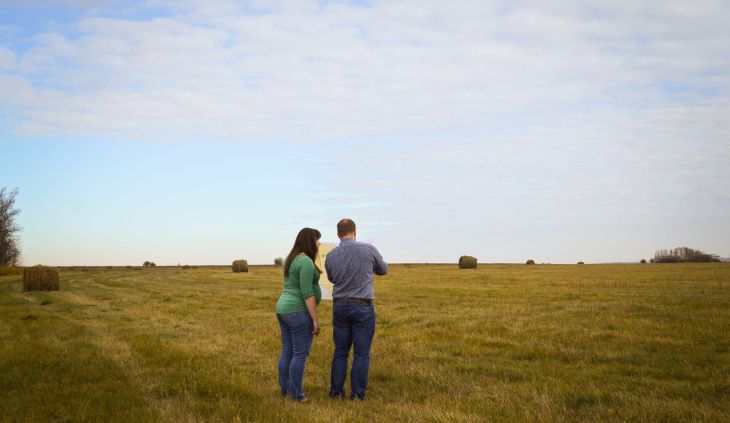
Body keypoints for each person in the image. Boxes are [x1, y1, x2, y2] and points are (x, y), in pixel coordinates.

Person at [325, 218, 388, 400]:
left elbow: (331, 278)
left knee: (340, 351)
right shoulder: (368, 249)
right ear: (355, 232)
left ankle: (336, 392)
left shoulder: (330, 255)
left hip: (340, 305)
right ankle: (358, 394)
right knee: (361, 352)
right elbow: (383, 270)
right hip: (362, 305)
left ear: (338, 235)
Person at [275, 227, 322, 402]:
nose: (319, 243)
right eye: (317, 239)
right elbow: (307, 293)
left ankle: (285, 391)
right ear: (310, 241)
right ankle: (296, 395)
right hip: (297, 311)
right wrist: (315, 320)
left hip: (283, 309)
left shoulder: (291, 258)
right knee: (300, 353)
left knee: (287, 350)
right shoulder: (306, 262)